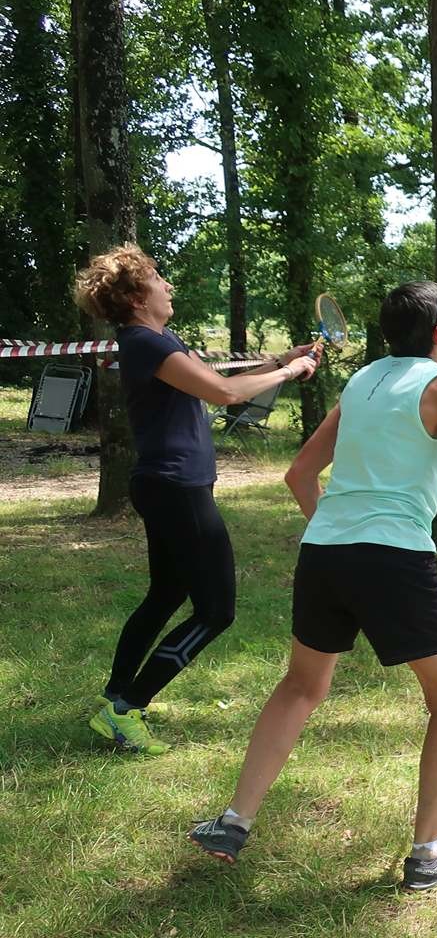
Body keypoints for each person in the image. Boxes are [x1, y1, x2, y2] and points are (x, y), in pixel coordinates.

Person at [187, 281, 437, 891]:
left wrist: (341, 537)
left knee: (300, 686)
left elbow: (299, 475)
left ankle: (233, 822)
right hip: (392, 559)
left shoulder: (363, 380)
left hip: (323, 554)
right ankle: (429, 855)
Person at [73, 245, 319, 755]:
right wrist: (290, 374)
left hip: (168, 484)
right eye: (158, 278)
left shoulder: (159, 338)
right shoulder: (142, 341)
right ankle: (124, 710)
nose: (168, 286)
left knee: (164, 595)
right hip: (175, 487)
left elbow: (217, 382)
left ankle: (118, 694)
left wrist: (281, 359)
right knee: (216, 611)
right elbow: (225, 396)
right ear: (137, 295)